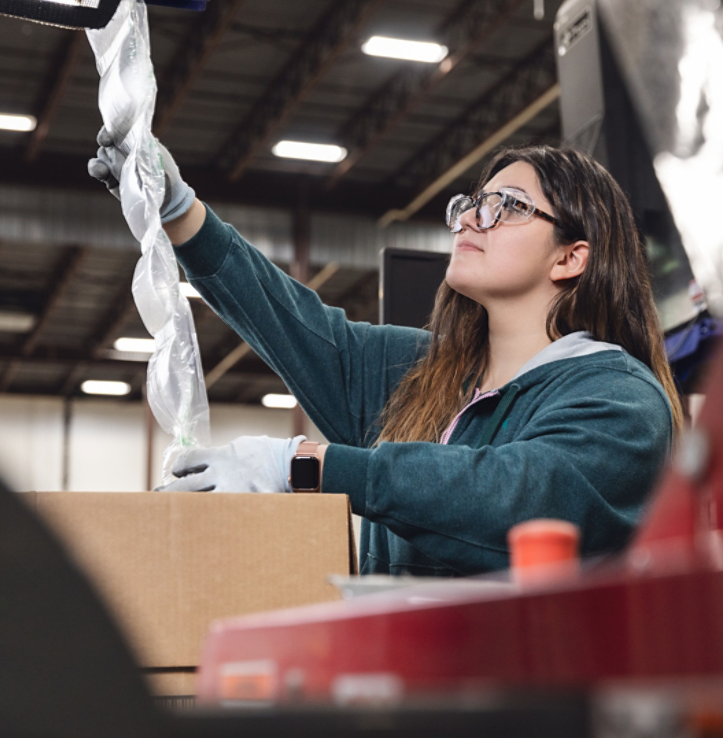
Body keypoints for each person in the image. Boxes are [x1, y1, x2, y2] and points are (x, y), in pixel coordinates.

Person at [89, 133, 681, 577]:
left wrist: (302, 465)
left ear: (570, 258)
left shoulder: (620, 398)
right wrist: (180, 212)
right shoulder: (427, 376)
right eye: (475, 201)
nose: (473, 217)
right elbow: (294, 324)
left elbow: (515, 496)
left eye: (509, 206)